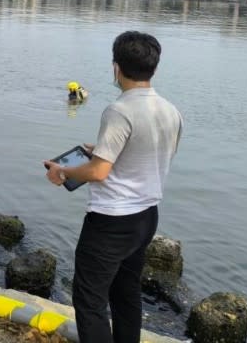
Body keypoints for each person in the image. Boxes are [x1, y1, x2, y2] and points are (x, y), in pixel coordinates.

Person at [45, 31, 183, 343]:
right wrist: (104, 148)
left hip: (111, 221)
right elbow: (155, 153)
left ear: (116, 67)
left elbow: (98, 171)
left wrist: (63, 172)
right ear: (154, 69)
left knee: (89, 300)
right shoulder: (171, 110)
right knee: (126, 293)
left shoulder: (119, 110)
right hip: (147, 217)